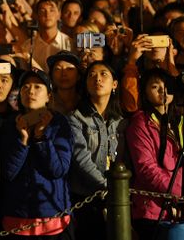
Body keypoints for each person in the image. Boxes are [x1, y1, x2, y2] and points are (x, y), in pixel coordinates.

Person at [0, 69, 74, 239]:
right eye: (25, 87)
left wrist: (41, 137)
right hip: (17, 218)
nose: (30, 91)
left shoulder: (59, 123)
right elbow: (8, 173)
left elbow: (58, 170)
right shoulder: (10, 124)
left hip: (54, 218)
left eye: (37, 87)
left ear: (49, 95)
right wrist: (23, 140)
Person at [126, 69, 184, 240]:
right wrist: (182, 197)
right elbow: (146, 169)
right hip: (154, 209)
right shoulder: (141, 122)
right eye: (155, 86)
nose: (162, 91)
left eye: (167, 86)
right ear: (145, 92)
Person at [68, 61, 127, 240]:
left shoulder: (121, 121)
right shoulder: (75, 119)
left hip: (118, 199)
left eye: (104, 74)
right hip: (86, 200)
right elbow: (81, 159)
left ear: (114, 84)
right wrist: (107, 187)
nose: (97, 79)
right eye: (92, 75)